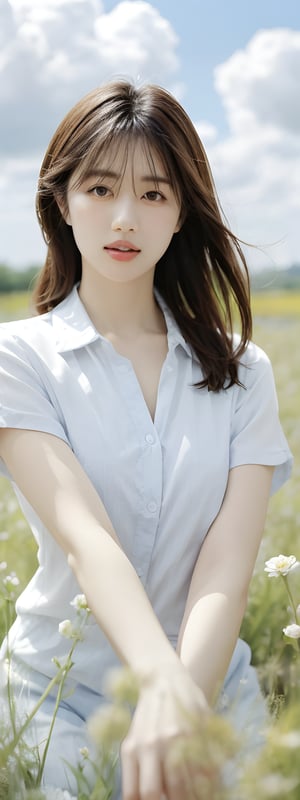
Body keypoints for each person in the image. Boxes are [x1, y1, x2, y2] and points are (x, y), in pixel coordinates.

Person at [0, 79, 292, 799]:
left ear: (181, 211)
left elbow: (227, 564)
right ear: (61, 202)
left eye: (154, 195)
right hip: (59, 696)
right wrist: (156, 684)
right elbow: (85, 539)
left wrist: (183, 701)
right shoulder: (18, 358)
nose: (124, 218)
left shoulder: (243, 370)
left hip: (210, 694)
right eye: (100, 189)